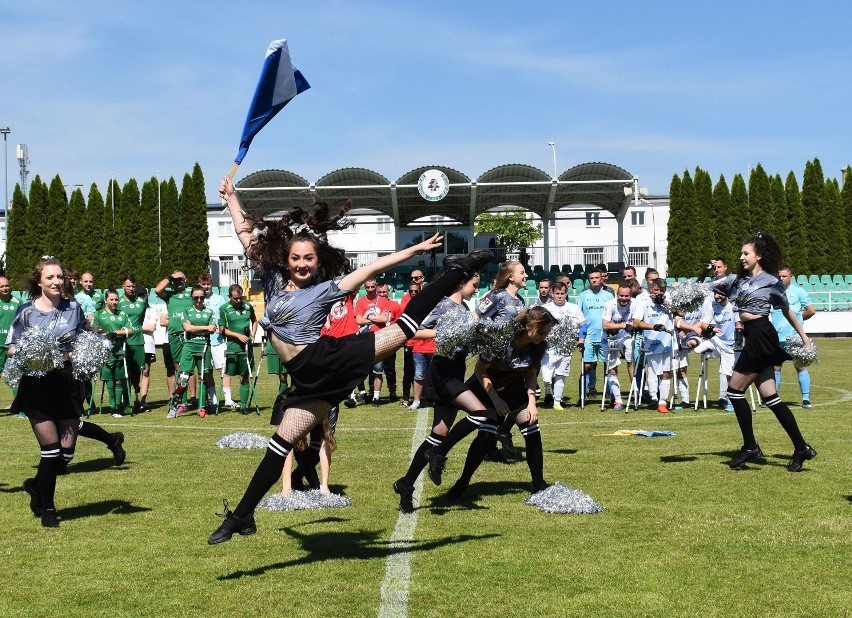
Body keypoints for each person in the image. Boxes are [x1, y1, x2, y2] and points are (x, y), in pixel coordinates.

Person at [208, 175, 493, 544]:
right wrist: (232, 198)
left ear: (317, 260)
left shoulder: (326, 289)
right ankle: (243, 516)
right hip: (307, 379)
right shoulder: (274, 279)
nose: (302, 263)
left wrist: (414, 250)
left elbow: (372, 269)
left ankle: (457, 270)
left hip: (329, 359)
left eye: (309, 257)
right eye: (296, 257)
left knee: (404, 330)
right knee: (279, 444)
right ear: (286, 258)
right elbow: (246, 235)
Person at [714, 233, 816, 472]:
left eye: (746, 253)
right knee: (771, 398)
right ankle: (801, 447)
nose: (741, 257)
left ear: (759, 255)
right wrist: (686, 290)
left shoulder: (771, 280)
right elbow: (710, 287)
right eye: (741, 253)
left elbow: (788, 310)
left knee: (734, 391)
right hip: (753, 335)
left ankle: (750, 446)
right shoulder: (737, 281)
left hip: (761, 334)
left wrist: (804, 337)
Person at [436, 306, 556, 501]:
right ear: (529, 326)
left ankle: (538, 484)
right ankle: (462, 483)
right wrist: (495, 400)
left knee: (532, 428)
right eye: (542, 331)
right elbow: (480, 370)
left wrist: (532, 402)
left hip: (513, 387)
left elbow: (531, 373)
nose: (545, 336)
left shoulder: (538, 346)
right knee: (486, 436)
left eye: (547, 332)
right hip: (486, 387)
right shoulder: (502, 341)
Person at [11, 257, 89, 527]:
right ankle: (49, 509)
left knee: (66, 454)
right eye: (50, 278)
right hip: (38, 384)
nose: (57, 282)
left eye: (60, 277)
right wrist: (35, 352)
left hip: (67, 383)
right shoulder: (25, 312)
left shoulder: (74, 308)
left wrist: (88, 351)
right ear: (39, 282)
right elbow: (11, 346)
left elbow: (84, 338)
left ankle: (35, 485)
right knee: (51, 451)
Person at [394, 272, 481, 513]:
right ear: (461, 283)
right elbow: (413, 330)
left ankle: (405, 485)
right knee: (482, 414)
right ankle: (439, 453)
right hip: (442, 372)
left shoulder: (463, 307)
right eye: (474, 285)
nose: (476, 290)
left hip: (457, 369)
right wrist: (442, 334)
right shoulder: (442, 305)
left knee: (438, 434)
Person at [476, 260, 527, 455]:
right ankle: (493, 441)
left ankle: (497, 438)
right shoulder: (497, 296)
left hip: (511, 360)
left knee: (507, 403)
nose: (526, 276)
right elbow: (476, 316)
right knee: (492, 405)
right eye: (522, 272)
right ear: (510, 276)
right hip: (493, 361)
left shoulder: (520, 300)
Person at [167, 285, 217, 418]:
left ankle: (202, 407)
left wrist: (197, 328)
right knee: (183, 378)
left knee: (204, 377)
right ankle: (175, 405)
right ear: (192, 298)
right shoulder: (186, 310)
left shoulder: (210, 312)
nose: (199, 300)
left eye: (202, 297)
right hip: (189, 346)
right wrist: (204, 327)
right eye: (196, 298)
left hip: (205, 346)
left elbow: (213, 329)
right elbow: (188, 328)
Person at [771, 265, 816, 408]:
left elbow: (811, 310)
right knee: (775, 368)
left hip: (795, 337)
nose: (781, 279)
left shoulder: (798, 291)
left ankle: (806, 399)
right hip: (777, 338)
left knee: (800, 367)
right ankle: (774, 398)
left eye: (784, 276)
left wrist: (798, 320)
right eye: (779, 276)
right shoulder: (772, 292)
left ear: (791, 276)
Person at [540, 281, 585, 409]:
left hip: (566, 347)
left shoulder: (574, 308)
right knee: (547, 376)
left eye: (562, 293)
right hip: (549, 347)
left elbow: (583, 325)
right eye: (557, 293)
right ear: (552, 294)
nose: (559, 296)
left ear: (566, 294)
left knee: (561, 374)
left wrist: (581, 340)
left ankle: (557, 402)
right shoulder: (546, 308)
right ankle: (548, 391)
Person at [155, 271, 195, 415]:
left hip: (189, 334)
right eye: (175, 280)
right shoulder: (169, 295)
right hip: (174, 335)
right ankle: (182, 401)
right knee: (179, 368)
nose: (178, 282)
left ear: (186, 280)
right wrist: (170, 277)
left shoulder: (191, 292)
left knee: (189, 368)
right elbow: (158, 289)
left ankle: (194, 398)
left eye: (181, 279)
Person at [633, 278, 673, 413]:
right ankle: (653, 397)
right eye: (656, 290)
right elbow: (636, 323)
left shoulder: (668, 301)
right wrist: (653, 326)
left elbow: (681, 313)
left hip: (667, 341)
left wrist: (666, 304)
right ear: (651, 289)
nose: (658, 293)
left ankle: (663, 403)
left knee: (666, 373)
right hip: (651, 341)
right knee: (653, 372)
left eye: (661, 290)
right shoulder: (643, 303)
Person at [93, 288, 134, 418]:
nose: (114, 302)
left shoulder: (122, 314)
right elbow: (94, 331)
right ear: (106, 300)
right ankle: (112, 408)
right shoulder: (99, 314)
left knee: (119, 379)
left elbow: (131, 330)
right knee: (109, 379)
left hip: (119, 349)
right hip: (105, 351)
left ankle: (118, 406)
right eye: (111, 299)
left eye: (116, 299)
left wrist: (116, 333)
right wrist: (104, 335)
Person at [694, 287, 737, 411]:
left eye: (719, 293)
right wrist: (712, 329)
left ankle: (728, 401)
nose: (716, 296)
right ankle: (711, 347)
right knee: (697, 350)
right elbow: (703, 324)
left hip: (730, 345)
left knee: (726, 373)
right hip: (717, 340)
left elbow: (740, 323)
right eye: (715, 293)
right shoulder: (713, 305)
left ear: (726, 294)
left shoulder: (733, 306)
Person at [354, 278, 393, 406]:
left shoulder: (383, 300)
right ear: (364, 288)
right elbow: (358, 320)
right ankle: (363, 394)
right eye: (367, 287)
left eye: (372, 287)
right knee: (362, 369)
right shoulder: (360, 301)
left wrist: (369, 317)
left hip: (379, 338)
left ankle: (376, 397)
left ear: (376, 286)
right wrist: (376, 319)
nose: (370, 289)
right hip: (365, 340)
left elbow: (384, 318)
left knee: (378, 370)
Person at [219, 284, 258, 413]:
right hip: (232, 346)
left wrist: (252, 334)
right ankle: (228, 400)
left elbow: (254, 320)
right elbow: (222, 330)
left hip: (247, 346)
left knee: (245, 376)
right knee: (229, 374)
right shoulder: (224, 308)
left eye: (240, 297)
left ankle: (243, 406)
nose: (238, 300)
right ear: (229, 297)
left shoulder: (248, 306)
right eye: (235, 298)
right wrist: (237, 335)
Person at [601, 283, 634, 411]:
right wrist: (624, 325)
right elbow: (605, 325)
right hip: (609, 338)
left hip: (625, 337)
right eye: (621, 295)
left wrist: (628, 326)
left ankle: (635, 393)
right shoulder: (610, 304)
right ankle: (618, 401)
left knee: (631, 350)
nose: (624, 298)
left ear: (630, 296)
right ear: (617, 295)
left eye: (627, 296)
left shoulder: (635, 304)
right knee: (612, 370)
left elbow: (636, 321)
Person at [119, 275, 150, 412]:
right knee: (126, 372)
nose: (131, 289)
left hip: (138, 341)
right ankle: (126, 402)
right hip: (125, 342)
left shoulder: (141, 302)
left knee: (141, 371)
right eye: (128, 286)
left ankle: (140, 401)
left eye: (133, 286)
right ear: (123, 287)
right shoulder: (119, 302)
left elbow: (141, 319)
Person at [578, 268, 610, 399]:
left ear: (601, 279)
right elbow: (579, 317)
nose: (594, 280)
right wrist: (581, 336)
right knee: (587, 366)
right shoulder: (583, 295)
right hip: (589, 336)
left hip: (605, 336)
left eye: (597, 277)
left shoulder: (609, 296)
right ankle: (584, 393)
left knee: (608, 365)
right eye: (592, 278)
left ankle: (609, 391)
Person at [200, 273, 228, 407]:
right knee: (207, 371)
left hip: (218, 340)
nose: (206, 287)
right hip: (203, 341)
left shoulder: (220, 298)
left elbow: (226, 316)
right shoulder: (198, 300)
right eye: (203, 284)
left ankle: (228, 399)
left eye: (208, 284)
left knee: (223, 370)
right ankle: (214, 399)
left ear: (212, 284)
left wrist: (223, 329)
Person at [0, 276, 23, 414]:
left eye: (6, 286)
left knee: (17, 376)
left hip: (13, 345)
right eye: (1, 286)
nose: (4, 288)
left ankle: (19, 407)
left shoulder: (18, 302)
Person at [377, 282, 401, 403]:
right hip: (376, 340)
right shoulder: (374, 306)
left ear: (388, 292)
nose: (382, 294)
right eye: (379, 292)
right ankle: (373, 392)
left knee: (390, 369)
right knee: (374, 368)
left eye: (384, 292)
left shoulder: (395, 305)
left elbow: (399, 322)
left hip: (390, 341)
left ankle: (392, 392)